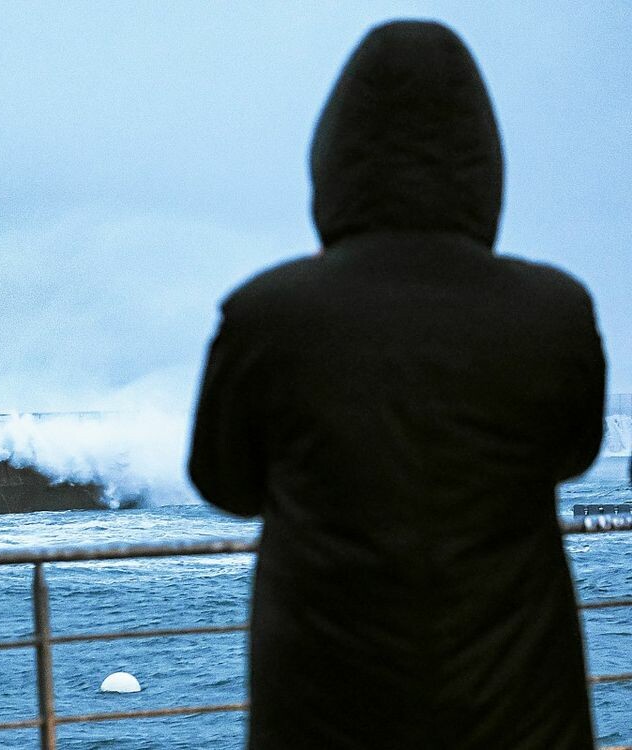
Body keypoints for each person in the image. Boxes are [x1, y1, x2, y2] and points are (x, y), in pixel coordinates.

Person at [189, 20, 605, 750]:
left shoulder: (266, 316)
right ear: (482, 163)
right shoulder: (554, 315)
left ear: (335, 160)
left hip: (325, 714)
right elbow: (574, 454)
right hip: (518, 712)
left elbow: (223, 482)